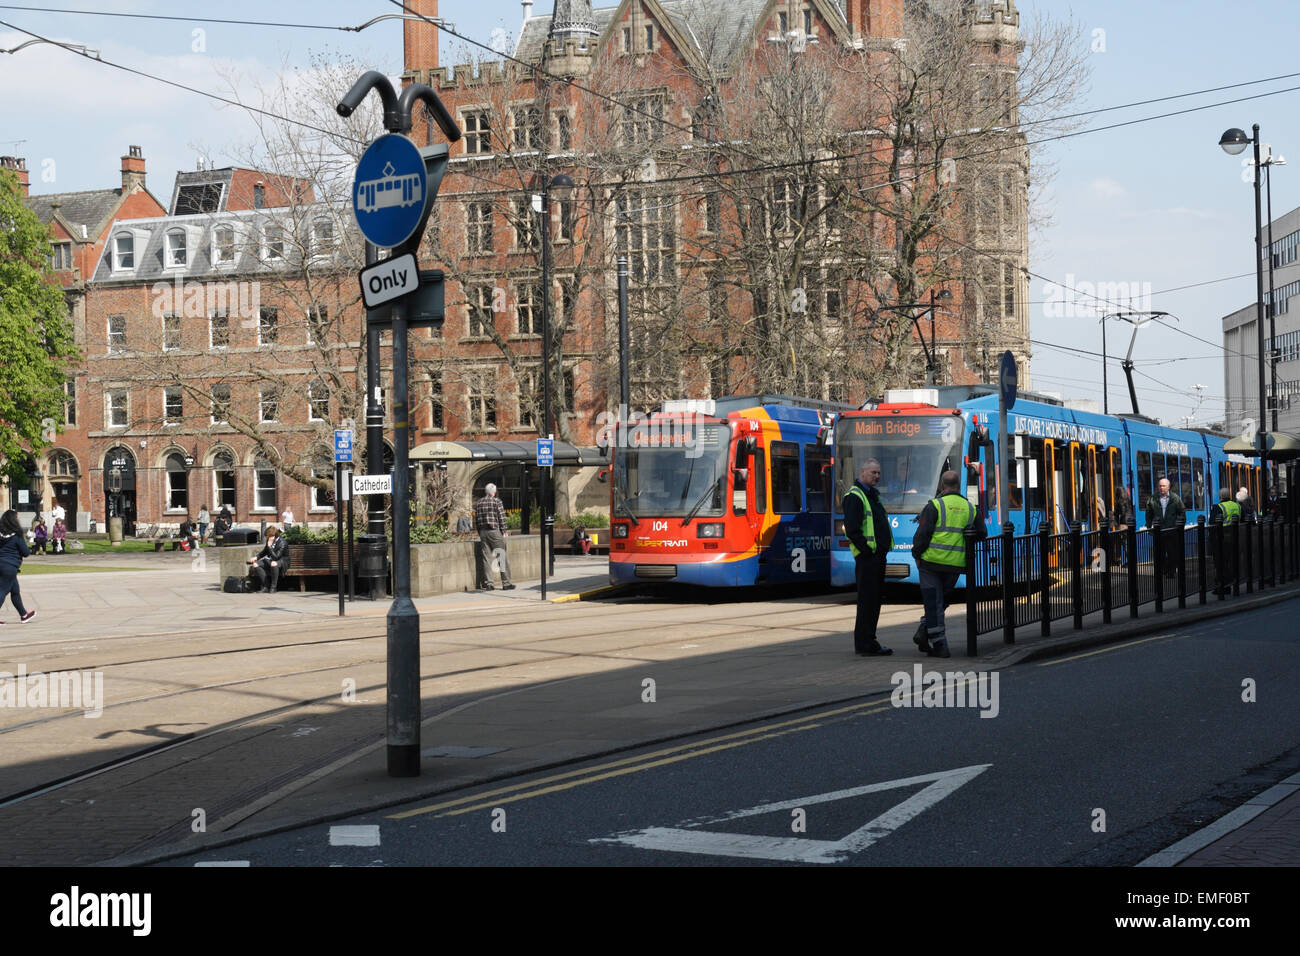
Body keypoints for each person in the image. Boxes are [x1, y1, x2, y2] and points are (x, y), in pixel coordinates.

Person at [911, 471, 987, 659]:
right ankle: (924, 631)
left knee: (933, 602)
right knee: (940, 602)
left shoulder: (934, 505)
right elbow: (982, 532)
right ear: (958, 485)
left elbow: (922, 535)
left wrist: (917, 555)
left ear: (942, 486)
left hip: (931, 563)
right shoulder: (970, 508)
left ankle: (940, 644)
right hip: (954, 565)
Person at [844, 459, 893, 656]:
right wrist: (867, 551)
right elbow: (853, 530)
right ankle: (865, 643)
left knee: (873, 601)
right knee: (867, 602)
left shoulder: (872, 495)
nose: (877, 476)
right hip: (868, 560)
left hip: (876, 557)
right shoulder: (855, 496)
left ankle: (868, 641)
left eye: (879, 473)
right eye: (873, 472)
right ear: (862, 472)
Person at [474, 483, 514, 591]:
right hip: (494, 531)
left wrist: (480, 532)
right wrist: (504, 530)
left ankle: (489, 583)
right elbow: (501, 517)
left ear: (485, 492)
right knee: (501, 556)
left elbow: (476, 520)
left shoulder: (479, 503)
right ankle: (506, 583)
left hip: (483, 532)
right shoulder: (497, 501)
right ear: (494, 492)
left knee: (486, 558)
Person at [1145, 477, 1186, 578]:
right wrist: (1149, 526)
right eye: (1160, 486)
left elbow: (1182, 512)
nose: (1161, 488)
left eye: (1163, 486)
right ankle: (1161, 571)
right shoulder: (1153, 498)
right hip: (1159, 531)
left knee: (1173, 553)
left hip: (1172, 531)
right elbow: (1148, 513)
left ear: (1168, 487)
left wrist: (1179, 525)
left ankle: (1171, 572)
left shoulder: (1175, 498)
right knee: (1159, 554)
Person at [0, 510, 37, 623]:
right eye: (17, 518)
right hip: (10, 566)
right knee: (2, 591)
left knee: (15, 590)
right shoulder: (17, 536)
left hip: (2, 565)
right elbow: (25, 552)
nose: (19, 520)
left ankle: (24, 614)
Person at [1209, 487, 1241, 596]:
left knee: (1221, 564)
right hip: (1235, 538)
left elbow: (1212, 522)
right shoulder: (1237, 506)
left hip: (1221, 539)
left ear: (1220, 497)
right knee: (1232, 563)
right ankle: (1233, 585)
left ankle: (1222, 587)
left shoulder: (1218, 507)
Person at [246, 525, 291, 593]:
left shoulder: (282, 543)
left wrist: (270, 547)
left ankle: (273, 587)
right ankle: (265, 586)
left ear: (273, 535)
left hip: (282, 561)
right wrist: (256, 557)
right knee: (255, 564)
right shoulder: (269, 540)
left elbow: (276, 557)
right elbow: (264, 551)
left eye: (267, 536)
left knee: (273, 563)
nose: (266, 537)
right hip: (270, 560)